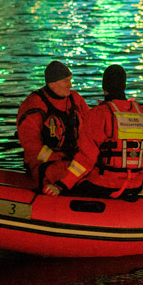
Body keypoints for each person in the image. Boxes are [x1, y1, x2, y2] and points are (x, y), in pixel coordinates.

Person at [44, 64, 143, 199]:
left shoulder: (98, 114)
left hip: (102, 186)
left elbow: (85, 159)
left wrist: (61, 185)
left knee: (59, 174)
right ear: (124, 86)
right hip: (135, 186)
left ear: (104, 87)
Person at [16, 60, 90, 190]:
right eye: (66, 81)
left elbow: (91, 128)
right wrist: (56, 159)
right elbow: (31, 144)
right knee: (75, 177)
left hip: (74, 160)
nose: (70, 85)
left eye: (70, 80)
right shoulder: (34, 104)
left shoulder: (76, 100)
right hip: (46, 164)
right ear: (52, 84)